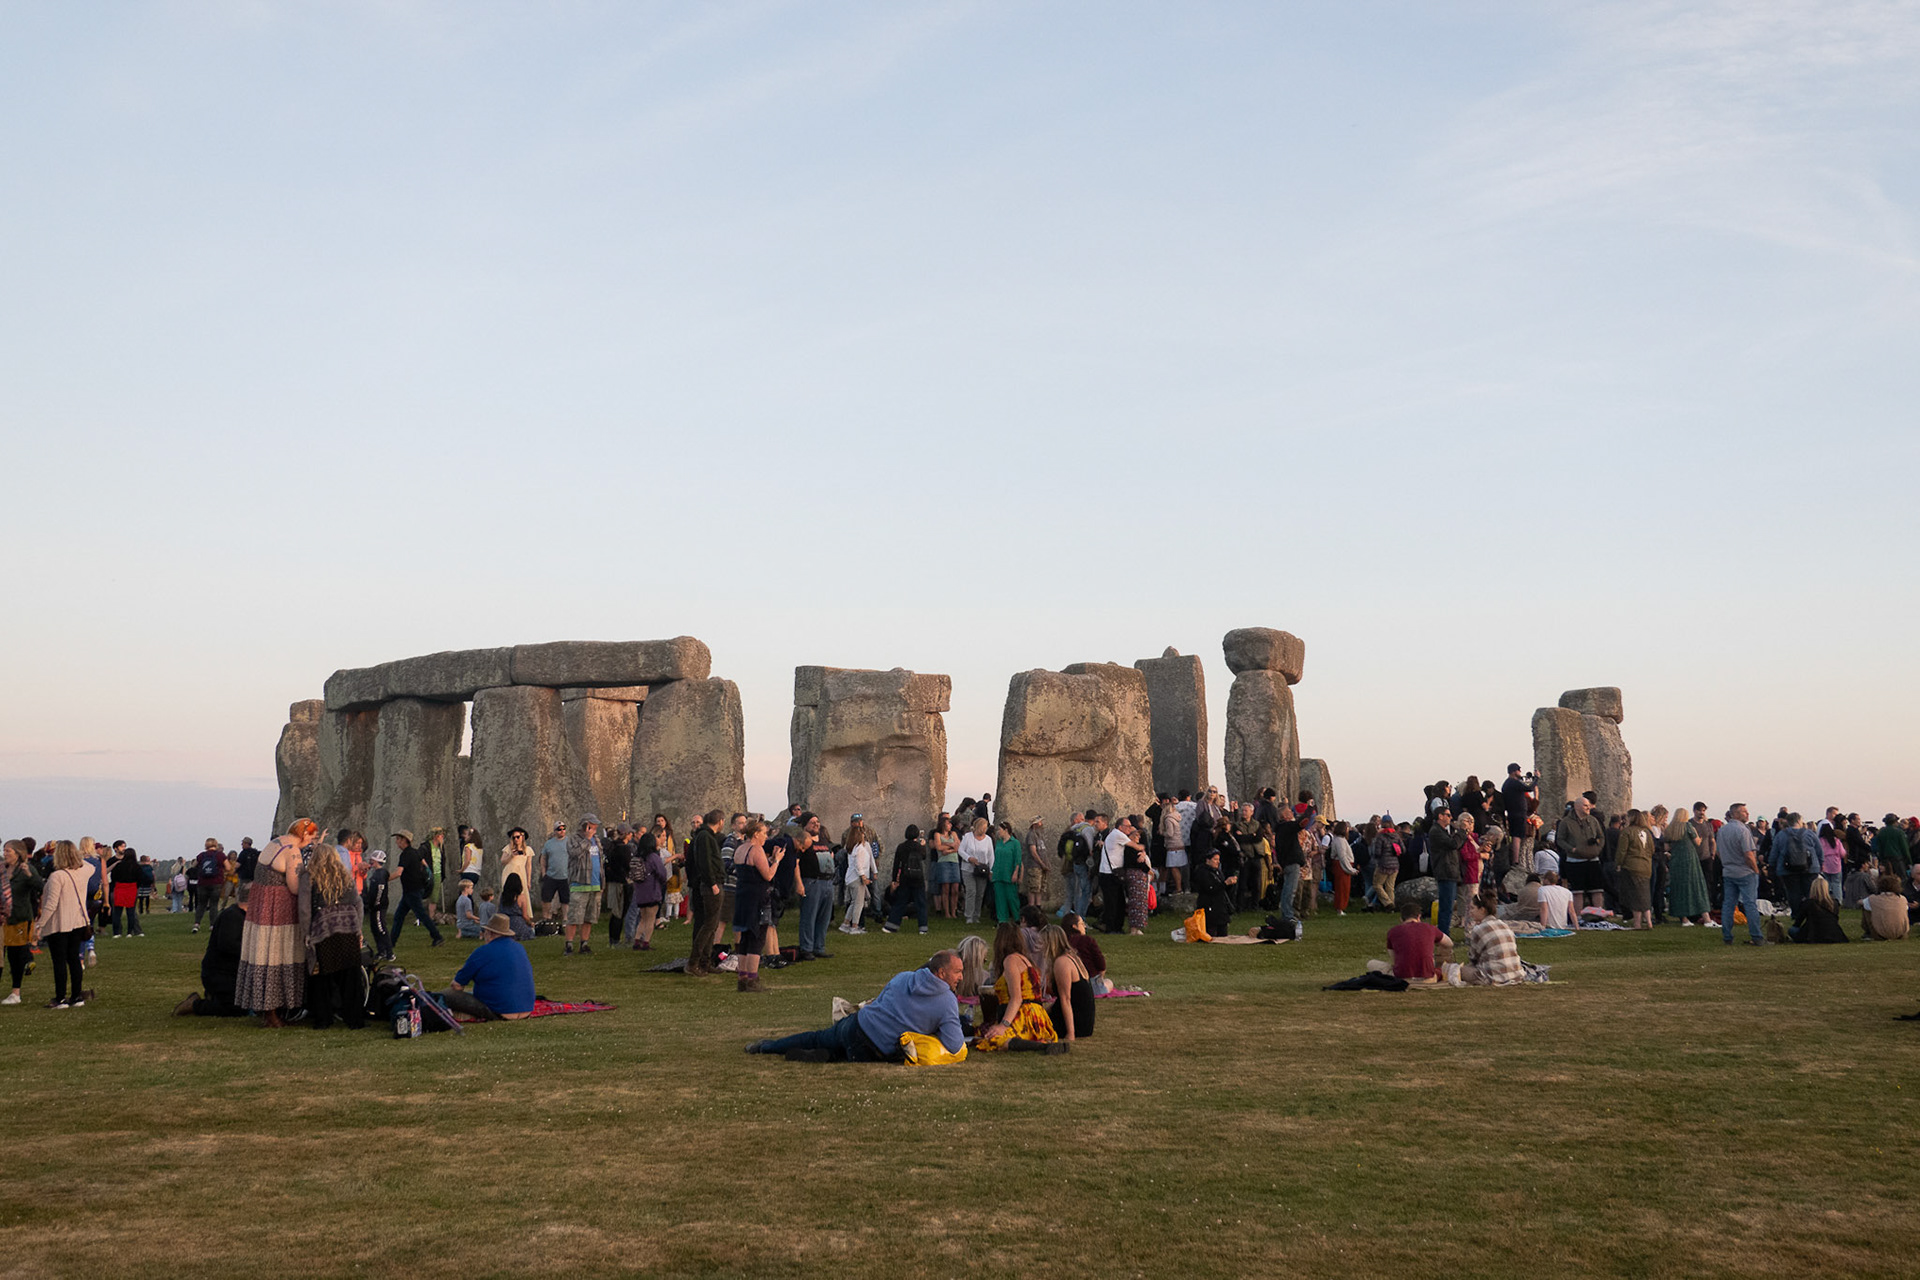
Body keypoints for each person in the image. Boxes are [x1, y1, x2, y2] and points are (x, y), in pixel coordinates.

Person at [745, 951, 965, 1062]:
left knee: (817, 1037)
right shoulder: (946, 1001)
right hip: (875, 1048)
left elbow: (880, 1001)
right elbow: (954, 1044)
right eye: (958, 972)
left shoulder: (904, 977)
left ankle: (766, 1046)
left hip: (858, 1024)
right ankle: (830, 1055)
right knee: (848, 1054)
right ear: (941, 973)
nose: (961, 977)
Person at [237, 820, 315, 1025]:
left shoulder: (275, 843)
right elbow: (295, 887)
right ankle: (273, 1011)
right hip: (279, 908)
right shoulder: (292, 851)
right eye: (311, 836)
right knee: (278, 954)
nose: (311, 841)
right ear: (304, 834)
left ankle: (266, 1008)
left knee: (262, 953)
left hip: (261, 905)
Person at [302, 839, 366, 1030]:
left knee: (321, 974)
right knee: (351, 974)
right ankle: (355, 1018)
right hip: (348, 925)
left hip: (324, 927)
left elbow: (304, 908)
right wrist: (358, 927)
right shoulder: (344, 875)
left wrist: (306, 933)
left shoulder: (309, 876)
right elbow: (357, 902)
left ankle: (324, 1018)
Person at [974, 921, 1062, 1052]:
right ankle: (1040, 1045)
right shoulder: (1026, 960)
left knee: (993, 1039)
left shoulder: (1010, 961)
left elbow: (1016, 999)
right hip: (1037, 1015)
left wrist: (1003, 1025)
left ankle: (1041, 1047)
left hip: (1023, 1015)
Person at [440, 911, 538, 1020]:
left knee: (446, 994)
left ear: (489, 933)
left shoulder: (482, 952)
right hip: (526, 1008)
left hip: (499, 1010)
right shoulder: (519, 948)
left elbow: (456, 985)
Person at [173, 897, 249, 1017]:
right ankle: (195, 1005)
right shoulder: (232, 917)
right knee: (237, 1008)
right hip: (220, 974)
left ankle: (215, 996)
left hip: (233, 974)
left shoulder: (241, 916)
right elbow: (228, 946)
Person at [730, 820, 776, 992]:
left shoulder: (740, 849)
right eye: (764, 833)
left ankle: (742, 978)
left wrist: (770, 859)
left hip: (742, 896)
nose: (766, 837)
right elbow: (768, 875)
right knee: (757, 938)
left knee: (745, 938)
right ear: (756, 834)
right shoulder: (756, 849)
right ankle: (752, 979)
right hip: (757, 898)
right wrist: (777, 861)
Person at [1716, 804, 1769, 946]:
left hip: (1729, 871)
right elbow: (1748, 854)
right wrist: (1756, 870)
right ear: (1735, 814)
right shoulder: (1743, 830)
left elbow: (1718, 851)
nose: (1747, 814)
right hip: (1745, 872)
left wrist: (1727, 862)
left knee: (1728, 904)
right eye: (1744, 811)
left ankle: (1727, 936)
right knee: (1750, 903)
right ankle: (1757, 936)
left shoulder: (1722, 830)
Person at [683, 810, 727, 976]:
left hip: (711, 883)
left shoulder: (705, 836)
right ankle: (694, 962)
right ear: (720, 821)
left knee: (712, 925)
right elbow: (705, 862)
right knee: (708, 925)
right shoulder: (705, 837)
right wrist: (712, 883)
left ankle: (705, 962)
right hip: (710, 885)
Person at [389, 830, 445, 952]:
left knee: (421, 915)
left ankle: (437, 936)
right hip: (414, 890)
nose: (397, 842)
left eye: (398, 839)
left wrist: (384, 879)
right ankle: (391, 942)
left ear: (404, 840)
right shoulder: (415, 852)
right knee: (399, 916)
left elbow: (399, 872)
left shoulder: (405, 855)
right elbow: (425, 865)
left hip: (412, 891)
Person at [791, 818, 837, 961]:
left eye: (817, 821)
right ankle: (806, 948)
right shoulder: (803, 842)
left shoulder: (823, 840)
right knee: (809, 917)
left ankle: (819, 947)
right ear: (805, 826)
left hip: (827, 882)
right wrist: (799, 883)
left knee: (824, 918)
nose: (816, 824)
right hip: (812, 882)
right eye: (812, 822)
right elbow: (795, 864)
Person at [4, 841, 41, 1005]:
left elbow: (40, 886)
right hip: (2, 918)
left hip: (18, 918)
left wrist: (29, 875)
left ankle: (15, 992)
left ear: (18, 853)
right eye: (4, 850)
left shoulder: (26, 869)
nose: (5, 853)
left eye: (8, 851)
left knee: (15, 956)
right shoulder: (2, 869)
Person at [1555, 796, 1607, 912]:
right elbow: (1560, 840)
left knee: (1597, 889)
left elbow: (1601, 836)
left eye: (1588, 805)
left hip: (1593, 859)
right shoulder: (1566, 822)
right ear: (1577, 806)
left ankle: (1598, 914)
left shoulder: (1593, 820)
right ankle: (1578, 917)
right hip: (1575, 861)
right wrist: (1572, 849)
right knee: (1577, 891)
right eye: (1585, 805)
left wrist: (1598, 848)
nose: (1588, 807)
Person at [1044, 924, 1094, 1041]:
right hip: (1084, 1021)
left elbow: (1066, 999)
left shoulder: (1062, 962)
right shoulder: (1073, 957)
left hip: (1076, 1023)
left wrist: (1070, 1033)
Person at [1460, 894, 1523, 985]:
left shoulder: (1479, 929)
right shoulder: (1504, 925)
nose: (1470, 912)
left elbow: (1473, 958)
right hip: (1515, 974)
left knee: (1459, 970)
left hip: (1492, 977)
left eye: (1473, 908)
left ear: (1482, 910)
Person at [563, 815, 604, 956]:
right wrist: (586, 839)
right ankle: (569, 944)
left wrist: (602, 882)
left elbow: (600, 860)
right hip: (579, 883)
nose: (595, 828)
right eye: (593, 825)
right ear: (586, 825)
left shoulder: (596, 839)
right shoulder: (573, 839)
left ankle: (584, 943)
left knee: (589, 918)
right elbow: (574, 853)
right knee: (574, 917)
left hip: (595, 884)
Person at [1385, 900, 1452, 984]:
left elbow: (1394, 959)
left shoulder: (1392, 932)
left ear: (1401, 919)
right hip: (1427, 976)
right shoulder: (1430, 928)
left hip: (1402, 977)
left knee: (1372, 964)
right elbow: (1449, 943)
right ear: (1419, 916)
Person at [1664, 808, 1712, 925]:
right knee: (1696, 885)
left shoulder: (1670, 828)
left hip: (1676, 859)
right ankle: (1706, 918)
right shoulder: (1688, 826)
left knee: (1679, 887)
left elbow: (1666, 847)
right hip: (1689, 859)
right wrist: (1700, 837)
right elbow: (1697, 842)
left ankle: (1684, 919)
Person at [625, 828, 670, 951]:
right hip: (652, 891)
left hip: (640, 891)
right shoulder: (653, 857)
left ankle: (636, 940)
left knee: (643, 918)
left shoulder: (637, 857)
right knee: (650, 919)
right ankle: (646, 942)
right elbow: (662, 873)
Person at [1426, 807, 1467, 938]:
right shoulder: (1436, 832)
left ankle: (1444, 935)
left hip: (1449, 871)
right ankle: (1444, 935)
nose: (1451, 818)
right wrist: (1461, 831)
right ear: (1440, 816)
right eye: (1448, 815)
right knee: (1446, 906)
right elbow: (1453, 844)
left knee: (1448, 905)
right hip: (1445, 871)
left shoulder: (1442, 831)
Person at [883, 825, 931, 935]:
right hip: (918, 878)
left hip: (905, 877)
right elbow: (923, 856)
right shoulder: (918, 847)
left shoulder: (901, 847)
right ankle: (923, 928)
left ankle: (891, 926)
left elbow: (896, 864)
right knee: (921, 903)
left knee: (900, 902)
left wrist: (894, 879)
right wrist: (923, 845)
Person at [1615, 810, 1655, 929]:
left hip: (1631, 866)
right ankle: (1649, 921)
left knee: (1635, 895)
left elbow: (1622, 850)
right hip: (1646, 866)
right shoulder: (1647, 832)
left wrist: (1618, 863)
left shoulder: (1627, 832)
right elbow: (1652, 849)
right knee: (1644, 894)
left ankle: (1637, 923)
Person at [841, 819, 878, 934]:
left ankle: (846, 923)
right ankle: (855, 926)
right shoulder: (860, 849)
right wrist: (864, 877)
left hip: (851, 878)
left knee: (854, 902)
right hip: (857, 879)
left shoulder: (852, 848)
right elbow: (859, 865)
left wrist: (873, 871)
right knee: (859, 904)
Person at [1789, 876, 1848, 944]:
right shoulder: (1834, 903)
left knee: (1792, 930)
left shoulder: (1808, 903)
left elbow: (1798, 922)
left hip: (1813, 933)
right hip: (1833, 933)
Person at [1192, 847, 1236, 938]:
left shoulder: (1218, 871)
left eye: (1218, 860)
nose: (1217, 862)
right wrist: (1225, 883)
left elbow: (1222, 888)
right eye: (1215, 859)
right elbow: (1210, 888)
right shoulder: (1202, 872)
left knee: (1223, 934)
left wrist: (1230, 884)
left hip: (1221, 908)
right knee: (1211, 934)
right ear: (1208, 860)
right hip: (1210, 908)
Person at [989, 821, 1024, 924]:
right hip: (998, 873)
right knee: (1000, 898)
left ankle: (1017, 918)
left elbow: (1017, 859)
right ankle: (1002, 920)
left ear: (1006, 830)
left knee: (1011, 897)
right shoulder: (999, 843)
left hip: (1009, 873)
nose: (998, 832)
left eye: (1000, 830)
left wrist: (1016, 872)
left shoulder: (1015, 843)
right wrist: (992, 871)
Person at [108, 844, 145, 937]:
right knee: (131, 912)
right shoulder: (137, 867)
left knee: (117, 912)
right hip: (131, 889)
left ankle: (117, 933)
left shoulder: (119, 865)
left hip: (119, 888)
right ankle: (129, 932)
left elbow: (113, 877)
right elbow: (140, 879)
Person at [929, 815, 961, 920]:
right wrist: (951, 844)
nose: (950, 825)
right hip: (943, 862)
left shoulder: (954, 834)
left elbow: (958, 846)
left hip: (954, 862)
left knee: (955, 888)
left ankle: (953, 911)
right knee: (945, 888)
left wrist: (947, 849)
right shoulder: (937, 834)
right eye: (948, 823)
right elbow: (938, 847)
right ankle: (947, 912)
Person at [363, 850, 394, 959]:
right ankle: (381, 951)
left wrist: (375, 904)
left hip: (378, 907)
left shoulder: (380, 875)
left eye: (372, 860)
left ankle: (389, 952)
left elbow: (379, 892)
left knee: (381, 928)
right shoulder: (378, 873)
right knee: (375, 928)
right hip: (375, 906)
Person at [539, 821, 571, 922]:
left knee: (565, 900)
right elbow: (543, 857)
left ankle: (565, 919)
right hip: (551, 876)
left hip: (565, 876)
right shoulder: (549, 843)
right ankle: (546, 918)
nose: (562, 831)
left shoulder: (570, 842)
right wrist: (543, 872)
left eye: (563, 828)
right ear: (555, 831)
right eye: (559, 829)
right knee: (546, 898)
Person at [1862, 874, 1910, 941]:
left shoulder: (1872, 899)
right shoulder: (1903, 899)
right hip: (1901, 934)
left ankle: (1869, 932)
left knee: (1866, 908)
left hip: (1879, 935)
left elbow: (1863, 903)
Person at [192, 839, 226, 932]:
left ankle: (196, 924)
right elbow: (228, 867)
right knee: (213, 904)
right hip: (216, 883)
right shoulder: (220, 855)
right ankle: (212, 925)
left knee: (201, 904)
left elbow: (193, 865)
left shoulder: (201, 855)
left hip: (202, 883)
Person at [1369, 821, 1403, 914]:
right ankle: (1392, 907)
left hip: (1383, 865)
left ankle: (1388, 903)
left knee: (1377, 885)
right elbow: (1403, 849)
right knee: (1390, 887)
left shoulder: (1380, 837)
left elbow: (1377, 852)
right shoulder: (1397, 836)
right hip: (1395, 865)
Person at [1021, 816, 1051, 909]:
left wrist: (1046, 864)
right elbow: (1033, 852)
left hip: (1041, 866)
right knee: (1033, 888)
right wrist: (1042, 864)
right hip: (1034, 866)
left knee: (1040, 888)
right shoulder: (1031, 835)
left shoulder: (1039, 835)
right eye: (1039, 822)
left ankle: (1038, 907)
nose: (1041, 824)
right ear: (1035, 824)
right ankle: (1031, 907)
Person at [1872, 815, 1911, 881]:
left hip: (1885, 860)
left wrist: (1881, 859)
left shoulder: (1881, 833)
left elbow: (1880, 848)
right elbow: (1905, 848)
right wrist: (1909, 861)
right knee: (1903, 879)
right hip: (1898, 860)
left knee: (1887, 879)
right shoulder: (1899, 832)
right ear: (1895, 822)